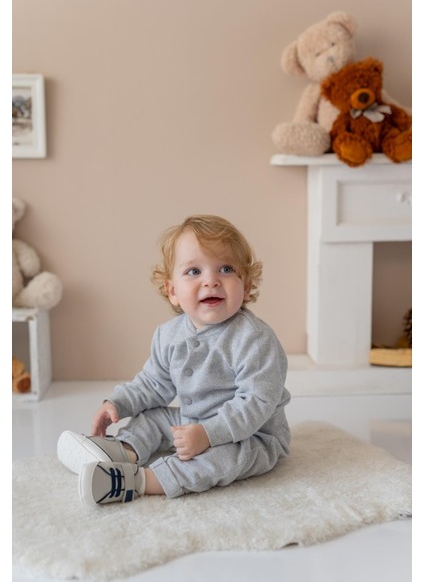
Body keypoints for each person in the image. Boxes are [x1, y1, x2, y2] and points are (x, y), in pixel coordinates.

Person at [57, 215, 291, 506]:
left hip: (252, 436)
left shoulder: (254, 338)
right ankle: (120, 451)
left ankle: (138, 481)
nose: (211, 280)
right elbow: (153, 384)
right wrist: (117, 403)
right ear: (172, 292)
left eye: (226, 269)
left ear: (246, 284)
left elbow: (255, 404)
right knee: (153, 419)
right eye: (194, 271)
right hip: (192, 419)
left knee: (223, 460)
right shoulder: (168, 335)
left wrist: (207, 435)